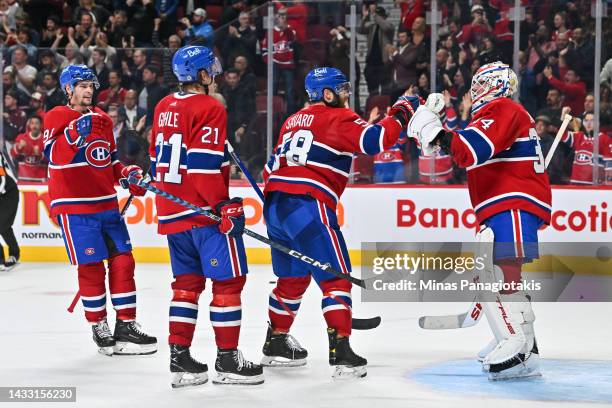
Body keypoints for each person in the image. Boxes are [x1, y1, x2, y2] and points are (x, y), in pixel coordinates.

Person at [261, 67, 416, 378]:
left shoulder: (292, 120)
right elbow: (376, 140)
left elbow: (269, 169)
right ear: (327, 94)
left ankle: (276, 342)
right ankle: (341, 351)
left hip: (274, 206)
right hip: (307, 204)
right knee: (336, 278)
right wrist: (401, 111)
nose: (347, 95)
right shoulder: (338, 117)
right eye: (342, 90)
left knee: (292, 279)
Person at [410, 62, 550, 380]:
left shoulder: (502, 108)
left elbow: (471, 150)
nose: (473, 93)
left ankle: (517, 345)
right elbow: (462, 150)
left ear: (488, 85)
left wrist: (435, 130)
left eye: (476, 86)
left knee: (500, 274)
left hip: (510, 202)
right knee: (495, 274)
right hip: (503, 203)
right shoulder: (500, 113)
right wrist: (437, 135)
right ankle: (516, 340)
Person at [149, 45, 263, 388]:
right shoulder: (210, 107)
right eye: (210, 68)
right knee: (229, 283)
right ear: (201, 74)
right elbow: (201, 166)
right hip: (203, 214)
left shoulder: (162, 105)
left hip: (172, 211)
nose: (214, 73)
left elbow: (157, 157)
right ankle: (228, 360)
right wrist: (222, 204)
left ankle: (180, 359)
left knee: (186, 285)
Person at [43, 65, 157, 356]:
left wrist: (128, 175)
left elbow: (109, 163)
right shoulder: (57, 115)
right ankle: (99, 325)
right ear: (68, 89)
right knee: (92, 267)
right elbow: (53, 158)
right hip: (74, 205)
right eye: (81, 86)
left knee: (123, 262)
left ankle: (126, 324)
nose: (88, 91)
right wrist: (72, 135)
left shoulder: (103, 120)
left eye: (91, 86)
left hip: (106, 203)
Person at [560, 108, 611, 185]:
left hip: (594, 186)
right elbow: (561, 134)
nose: (589, 123)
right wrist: (563, 116)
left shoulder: (605, 139)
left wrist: (609, 180)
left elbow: (609, 164)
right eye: (586, 121)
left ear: (598, 123)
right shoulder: (578, 136)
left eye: (592, 120)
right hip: (575, 184)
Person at [10, 116, 47, 181]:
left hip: (41, 178)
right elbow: (12, 154)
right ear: (29, 125)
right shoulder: (21, 137)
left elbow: (51, 159)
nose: (34, 126)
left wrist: (41, 155)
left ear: (41, 125)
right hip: (23, 177)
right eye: (32, 123)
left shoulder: (45, 139)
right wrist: (18, 148)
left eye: (36, 123)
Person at [0, 148, 19, 271]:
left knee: (3, 225)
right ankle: (7, 257)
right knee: (4, 226)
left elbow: (2, 179)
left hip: (9, 194)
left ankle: (13, 255)